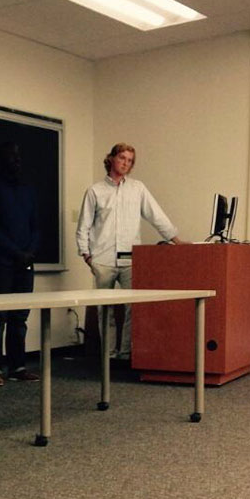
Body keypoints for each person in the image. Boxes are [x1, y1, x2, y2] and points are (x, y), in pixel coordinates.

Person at [76, 143, 186, 360]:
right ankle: (109, 355)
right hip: (103, 260)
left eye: (130, 160)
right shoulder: (95, 191)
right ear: (111, 159)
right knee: (105, 310)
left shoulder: (138, 189)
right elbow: (84, 225)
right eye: (122, 158)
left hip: (130, 260)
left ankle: (125, 353)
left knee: (133, 308)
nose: (125, 163)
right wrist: (86, 255)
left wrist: (176, 240)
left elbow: (157, 216)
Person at [0, 142, 40, 387]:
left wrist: (30, 251)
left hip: (25, 262)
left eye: (19, 156)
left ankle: (17, 366)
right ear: (1, 159)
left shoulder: (28, 191)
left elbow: (36, 226)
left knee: (20, 316)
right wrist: (16, 252)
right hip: (0, 262)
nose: (17, 160)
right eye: (11, 156)